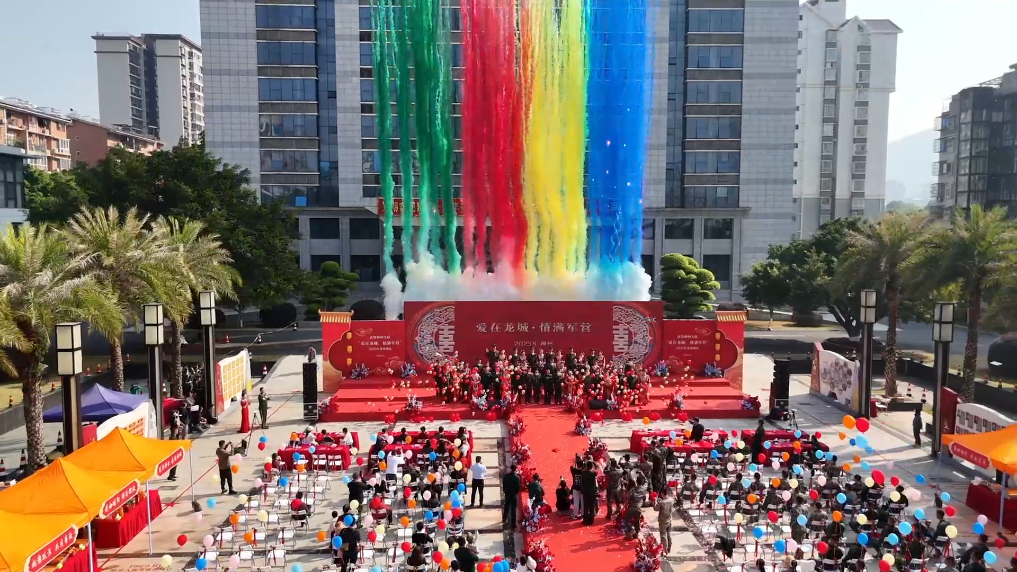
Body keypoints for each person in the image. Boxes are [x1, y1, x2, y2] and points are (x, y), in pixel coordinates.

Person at [654, 486, 675, 553]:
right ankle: (669, 546)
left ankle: (664, 549)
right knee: (668, 534)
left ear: (662, 493)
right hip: (669, 519)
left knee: (663, 535)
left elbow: (655, 509)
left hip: (663, 521)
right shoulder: (671, 500)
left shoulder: (662, 503)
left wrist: (656, 502)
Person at [502, 465, 521, 530]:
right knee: (513, 509)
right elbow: (518, 488)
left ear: (510, 469)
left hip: (507, 494)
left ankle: (504, 518)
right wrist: (516, 493)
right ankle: (513, 524)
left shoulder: (506, 476)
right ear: (515, 469)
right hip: (514, 495)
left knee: (506, 507)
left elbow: (504, 486)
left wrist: (505, 492)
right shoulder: (517, 478)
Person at [581, 460, 599, 525]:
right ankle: (591, 521)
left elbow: (583, 468)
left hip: (585, 491)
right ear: (592, 466)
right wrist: (593, 461)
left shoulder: (583, 472)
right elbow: (597, 467)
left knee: (586, 506)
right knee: (591, 507)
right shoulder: (593, 473)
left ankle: (585, 520)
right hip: (592, 492)